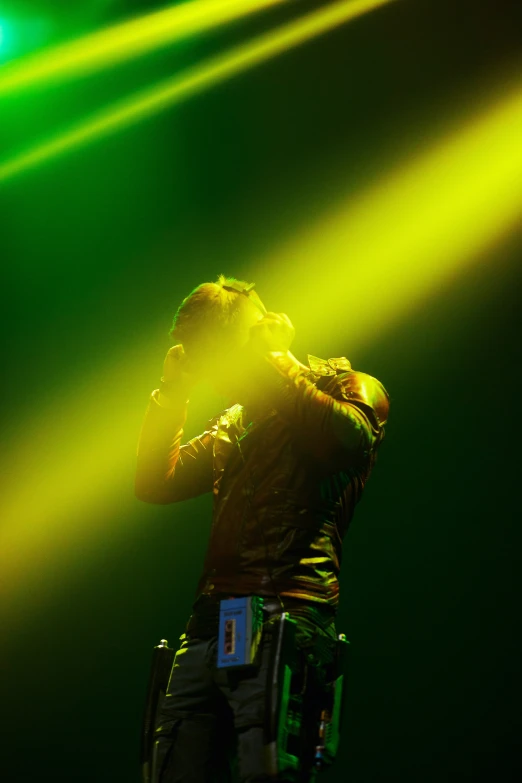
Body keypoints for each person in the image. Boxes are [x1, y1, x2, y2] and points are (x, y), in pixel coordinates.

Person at [135, 275, 390, 783]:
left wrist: (278, 360)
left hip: (284, 617)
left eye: (215, 364)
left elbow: (347, 438)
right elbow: (155, 482)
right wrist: (171, 394)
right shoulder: (237, 420)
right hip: (211, 624)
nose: (215, 381)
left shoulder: (342, 386)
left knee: (267, 770)